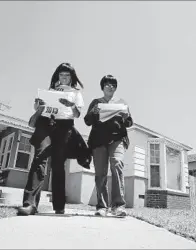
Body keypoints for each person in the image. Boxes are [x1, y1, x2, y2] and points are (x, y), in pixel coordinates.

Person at [17, 62, 86, 216]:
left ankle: (59, 205)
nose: (64, 78)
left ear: (72, 77)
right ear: (57, 76)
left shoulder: (76, 93)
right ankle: (30, 204)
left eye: (67, 75)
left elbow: (77, 114)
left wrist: (71, 105)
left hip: (64, 126)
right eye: (61, 75)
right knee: (39, 157)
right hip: (46, 123)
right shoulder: (50, 90)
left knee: (58, 164)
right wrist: (38, 105)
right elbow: (38, 108)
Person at [84, 75, 133, 217]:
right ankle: (102, 206)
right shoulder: (96, 102)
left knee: (117, 163)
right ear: (102, 87)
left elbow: (129, 123)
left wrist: (126, 117)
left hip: (117, 139)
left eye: (113, 84)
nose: (110, 86)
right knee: (100, 172)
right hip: (98, 141)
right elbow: (87, 121)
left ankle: (118, 206)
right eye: (107, 84)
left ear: (115, 88)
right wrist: (94, 112)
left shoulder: (122, 103)